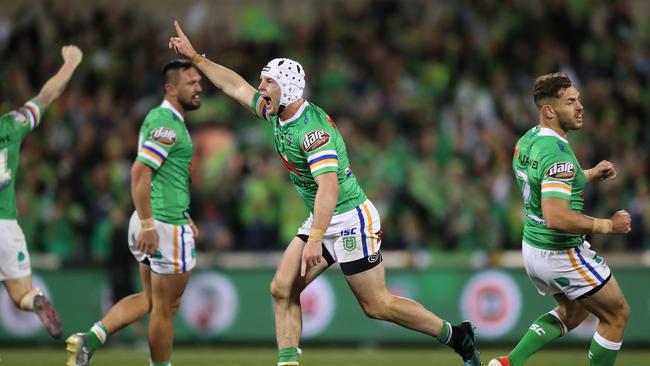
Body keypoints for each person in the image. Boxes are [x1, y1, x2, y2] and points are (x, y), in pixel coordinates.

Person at [169, 21, 480, 366]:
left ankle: (456, 335)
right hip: (323, 216)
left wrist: (316, 237)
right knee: (282, 288)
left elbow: (329, 187)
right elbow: (235, 87)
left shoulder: (312, 131)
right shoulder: (277, 114)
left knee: (376, 305)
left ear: (286, 88)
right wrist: (196, 57)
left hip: (349, 217)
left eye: (267, 81)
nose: (260, 87)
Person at [65, 59, 201, 366]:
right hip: (162, 225)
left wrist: (181, 216)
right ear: (170, 88)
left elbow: (165, 176)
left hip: (155, 219)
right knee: (165, 309)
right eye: (190, 83)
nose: (198, 88)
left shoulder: (161, 119)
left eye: (198, 82)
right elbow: (140, 172)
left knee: (149, 299)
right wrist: (150, 225)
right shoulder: (167, 124)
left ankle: (90, 339)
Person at [489, 72, 631, 366]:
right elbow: (557, 216)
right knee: (617, 314)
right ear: (549, 110)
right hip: (561, 250)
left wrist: (587, 175)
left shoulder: (529, 139)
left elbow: (545, 187)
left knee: (574, 311)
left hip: (533, 247)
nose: (580, 106)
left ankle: (508, 363)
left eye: (578, 99)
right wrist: (608, 226)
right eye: (570, 102)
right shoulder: (558, 155)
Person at [0, 45, 83, 339]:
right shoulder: (11, 125)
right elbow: (48, 95)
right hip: (7, 227)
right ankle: (36, 300)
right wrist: (72, 63)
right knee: (21, 294)